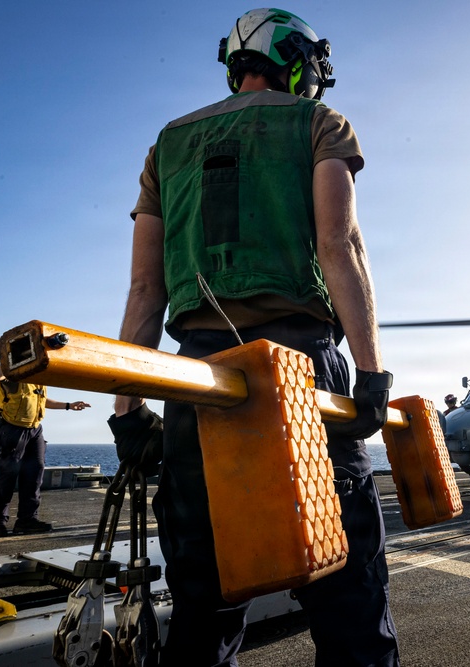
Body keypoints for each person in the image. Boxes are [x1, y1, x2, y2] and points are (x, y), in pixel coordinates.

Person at [110, 8, 399, 666]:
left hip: (198, 385)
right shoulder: (319, 123)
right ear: (294, 60)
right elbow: (338, 245)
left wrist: (128, 412)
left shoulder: (166, 144)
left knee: (202, 620)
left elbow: (144, 291)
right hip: (304, 379)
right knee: (348, 601)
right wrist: (373, 375)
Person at [0, 366, 90, 537]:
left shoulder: (38, 377)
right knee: (5, 478)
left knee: (34, 475)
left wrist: (68, 405)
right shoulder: (12, 373)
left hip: (35, 430)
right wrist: (12, 361)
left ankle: (27, 520)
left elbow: (42, 400)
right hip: (12, 429)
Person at [443, 393, 470, 484]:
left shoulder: (461, 411)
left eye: (451, 402)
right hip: (448, 438)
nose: (449, 404)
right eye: (448, 402)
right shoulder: (445, 414)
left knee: (461, 460)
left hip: (460, 439)